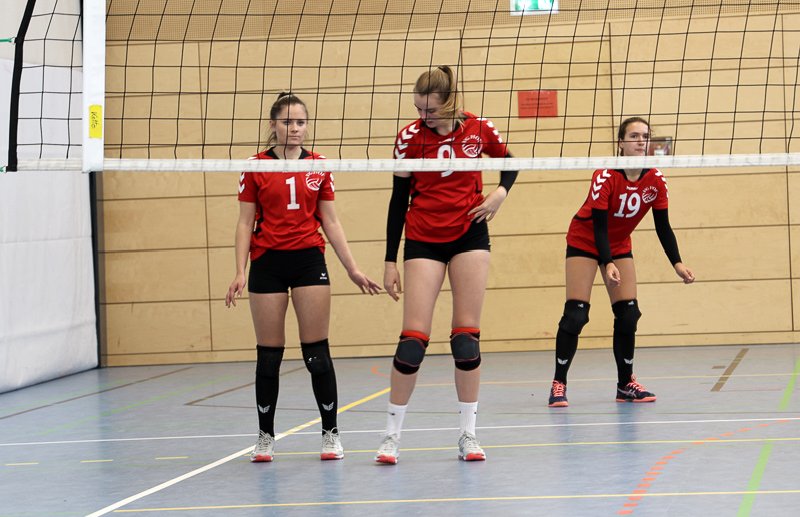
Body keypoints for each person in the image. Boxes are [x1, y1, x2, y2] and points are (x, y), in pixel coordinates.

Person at [374, 65, 518, 464]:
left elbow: (511, 162)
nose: (424, 117)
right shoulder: (409, 138)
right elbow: (397, 201)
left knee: (466, 339)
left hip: (469, 234)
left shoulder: (479, 128)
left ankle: (468, 434)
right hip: (423, 237)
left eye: (431, 110)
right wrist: (389, 261)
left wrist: (500, 193)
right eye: (418, 109)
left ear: (450, 103)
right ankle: (391, 436)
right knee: (412, 343)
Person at [226, 92, 381, 462]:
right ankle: (265, 436)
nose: (294, 128)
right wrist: (240, 271)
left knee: (316, 354)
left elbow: (331, 220)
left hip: (309, 260)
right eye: (287, 122)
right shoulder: (255, 165)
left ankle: (330, 433)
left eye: (300, 122)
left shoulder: (319, 165)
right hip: (267, 262)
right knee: (269, 357)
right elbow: (245, 222)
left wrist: (353, 268)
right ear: (273, 125)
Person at [547, 116, 695, 408]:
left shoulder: (656, 179)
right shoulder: (605, 175)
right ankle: (558, 382)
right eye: (634, 136)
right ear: (621, 143)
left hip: (618, 244)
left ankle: (625, 384)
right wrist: (607, 262)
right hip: (585, 241)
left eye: (645, 136)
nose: (641, 141)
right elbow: (599, 226)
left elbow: (663, 226)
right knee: (576, 314)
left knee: (628, 314)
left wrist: (677, 263)